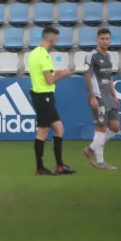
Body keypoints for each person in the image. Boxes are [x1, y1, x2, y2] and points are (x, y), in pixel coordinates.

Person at [28, 27, 75, 176]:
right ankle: (40, 168)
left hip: (41, 96)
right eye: (56, 38)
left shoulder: (35, 53)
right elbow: (49, 80)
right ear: (51, 38)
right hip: (44, 97)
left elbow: (45, 75)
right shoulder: (44, 56)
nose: (57, 41)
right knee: (42, 132)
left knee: (59, 128)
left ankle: (60, 166)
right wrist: (63, 75)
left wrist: (60, 72)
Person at [82, 28, 120, 170]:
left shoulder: (109, 56)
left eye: (107, 39)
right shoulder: (92, 56)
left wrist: (115, 95)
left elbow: (109, 77)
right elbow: (88, 76)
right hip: (98, 96)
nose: (105, 41)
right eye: (102, 38)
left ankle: (90, 149)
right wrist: (92, 97)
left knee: (115, 127)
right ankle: (100, 161)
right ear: (98, 39)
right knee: (101, 128)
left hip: (109, 97)